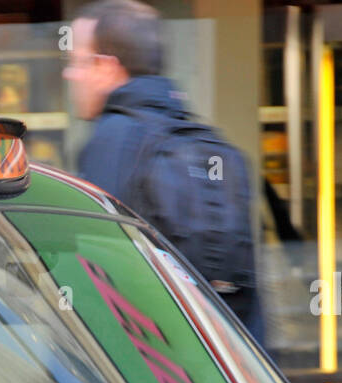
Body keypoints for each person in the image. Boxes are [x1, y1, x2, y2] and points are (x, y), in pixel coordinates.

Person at [65, 0, 266, 347]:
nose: (70, 75)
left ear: (107, 67)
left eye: (78, 62)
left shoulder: (111, 142)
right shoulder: (214, 146)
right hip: (222, 372)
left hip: (150, 377)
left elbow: (93, 289)